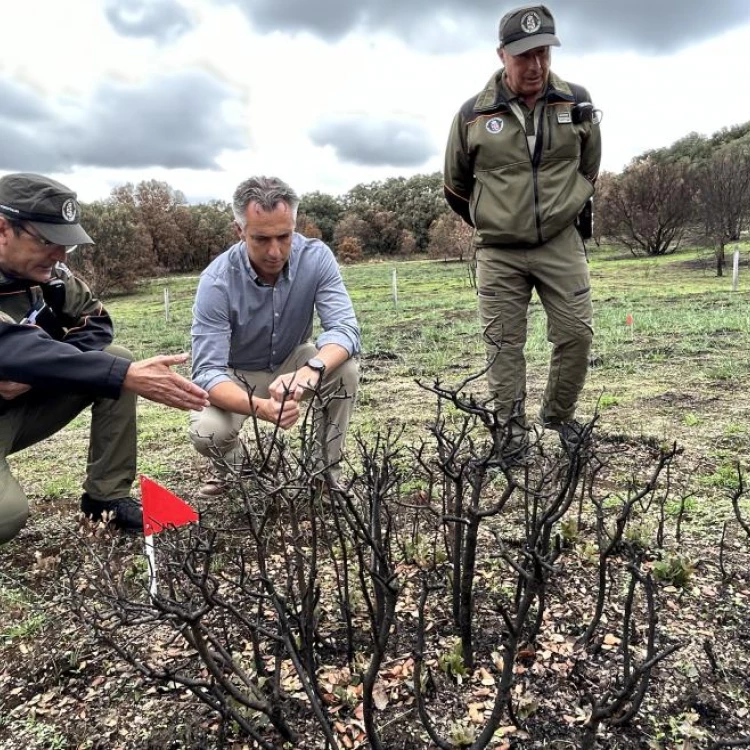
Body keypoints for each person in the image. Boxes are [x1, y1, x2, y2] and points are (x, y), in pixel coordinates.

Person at [0, 173, 209, 544]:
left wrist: (41, 369)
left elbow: (97, 323)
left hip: (12, 408)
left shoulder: (52, 279)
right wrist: (43, 360)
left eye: (66, 244)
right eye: (48, 241)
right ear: (3, 229)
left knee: (115, 359)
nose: (61, 255)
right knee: (7, 516)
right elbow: (8, 347)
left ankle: (105, 498)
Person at [443, 4, 601, 459]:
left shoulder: (577, 99)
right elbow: (455, 185)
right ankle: (510, 438)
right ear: (502, 55)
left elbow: (589, 169)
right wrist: (496, 220)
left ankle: (559, 416)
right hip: (498, 252)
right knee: (503, 345)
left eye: (543, 53)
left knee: (576, 334)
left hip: (560, 243)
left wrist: (561, 210)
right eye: (523, 55)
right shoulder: (472, 114)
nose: (535, 65)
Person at [189, 176, 360, 495]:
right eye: (261, 239)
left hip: (293, 360)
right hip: (236, 374)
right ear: (239, 231)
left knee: (345, 369)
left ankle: (324, 474)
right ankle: (243, 474)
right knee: (207, 432)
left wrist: (313, 369)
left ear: (295, 223)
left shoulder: (317, 258)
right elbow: (207, 373)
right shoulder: (216, 281)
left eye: (284, 236)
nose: (274, 251)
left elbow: (344, 330)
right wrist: (260, 407)